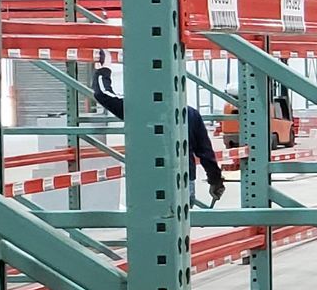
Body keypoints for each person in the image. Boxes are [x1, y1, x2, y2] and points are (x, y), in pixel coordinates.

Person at [90, 50, 227, 207]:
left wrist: (104, 69)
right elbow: (205, 153)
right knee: (180, 227)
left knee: (147, 225)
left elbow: (103, 93)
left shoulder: (139, 111)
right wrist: (216, 181)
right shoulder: (189, 113)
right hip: (183, 182)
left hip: (148, 182)